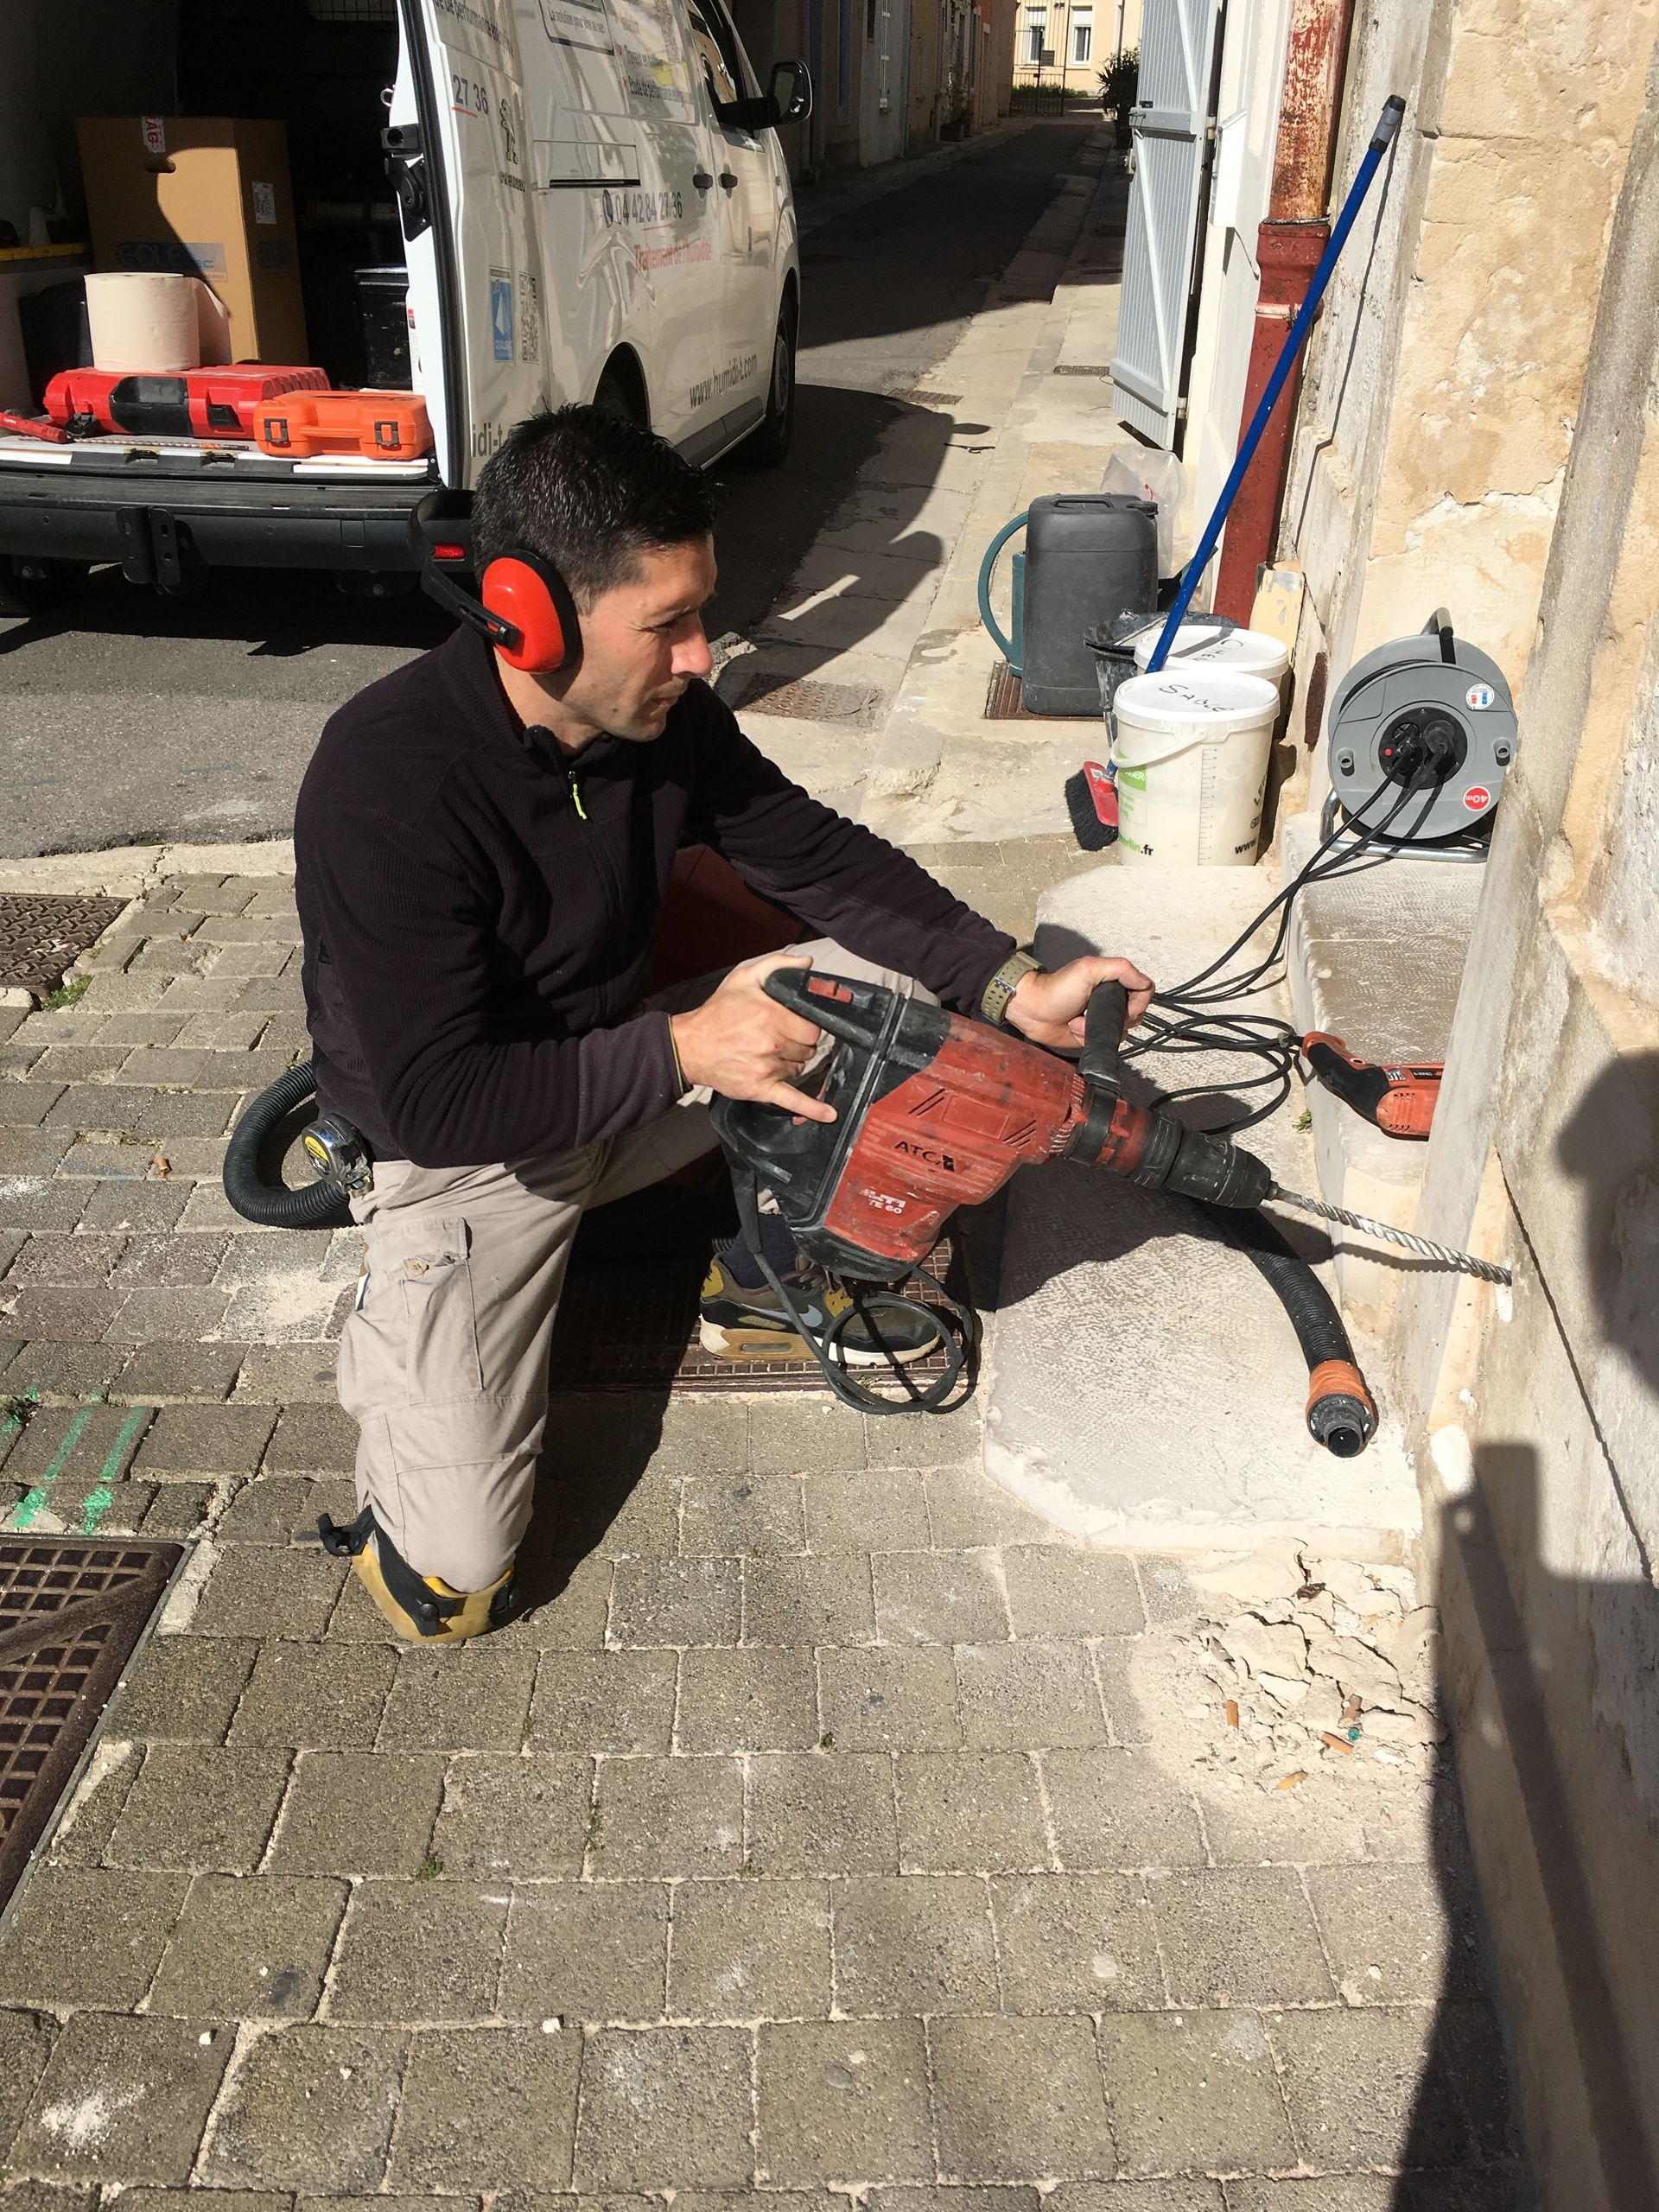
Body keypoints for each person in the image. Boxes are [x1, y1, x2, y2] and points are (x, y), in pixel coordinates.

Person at [295, 404, 1152, 1642]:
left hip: (629, 1076)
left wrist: (1010, 983)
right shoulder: (388, 783)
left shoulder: (664, 719)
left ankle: (753, 1259)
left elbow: (817, 856)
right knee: (456, 1591)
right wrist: (688, 1050)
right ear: (527, 615)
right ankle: (409, 1338)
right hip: (469, 1151)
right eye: (668, 625)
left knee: (893, 1000)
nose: (703, 655)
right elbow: (436, 1098)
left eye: (704, 613)